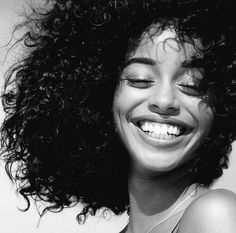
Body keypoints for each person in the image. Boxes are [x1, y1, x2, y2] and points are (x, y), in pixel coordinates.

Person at [1, 0, 236, 232]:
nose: (164, 101)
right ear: (103, 94)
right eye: (140, 79)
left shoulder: (216, 214)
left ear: (221, 104)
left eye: (192, 84)